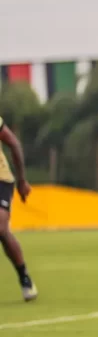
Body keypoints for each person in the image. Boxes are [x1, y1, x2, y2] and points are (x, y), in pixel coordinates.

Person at [0, 117, 37, 301]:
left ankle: (24, 276)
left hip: (1, 179)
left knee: (0, 227)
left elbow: (13, 143)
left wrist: (22, 181)